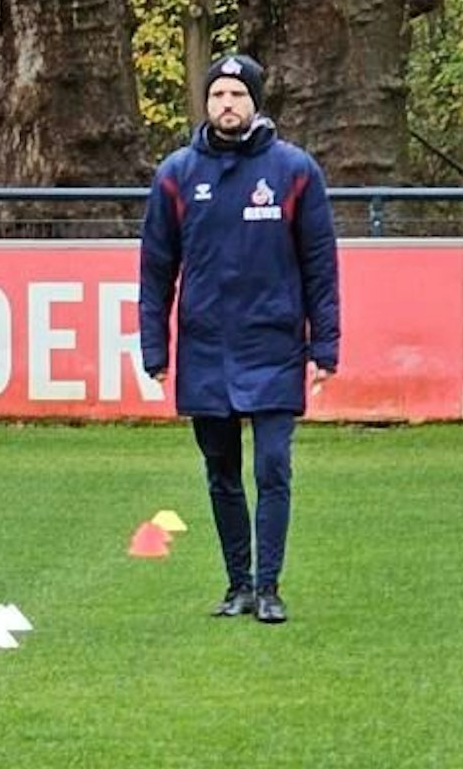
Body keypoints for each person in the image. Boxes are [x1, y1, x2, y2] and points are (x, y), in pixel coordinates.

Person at [139, 53, 341, 625]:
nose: (227, 104)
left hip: (274, 345)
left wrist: (325, 346)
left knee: (273, 466)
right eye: (217, 95)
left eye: (237, 95)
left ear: (255, 102)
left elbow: (321, 266)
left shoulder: (294, 170)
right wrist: (154, 348)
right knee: (221, 471)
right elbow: (155, 268)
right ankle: (239, 586)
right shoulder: (176, 174)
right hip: (206, 349)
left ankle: (270, 587)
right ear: (206, 103)